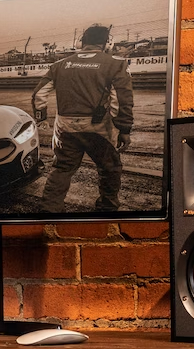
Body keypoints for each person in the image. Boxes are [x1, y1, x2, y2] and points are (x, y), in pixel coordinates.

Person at [31, 24, 134, 212]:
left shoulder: (58, 65)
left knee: (61, 169)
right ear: (107, 43)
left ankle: (49, 210)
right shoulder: (116, 65)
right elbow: (121, 100)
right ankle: (107, 208)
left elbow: (39, 94)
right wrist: (124, 129)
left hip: (65, 127)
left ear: (82, 42)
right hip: (99, 129)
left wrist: (41, 118)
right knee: (110, 168)